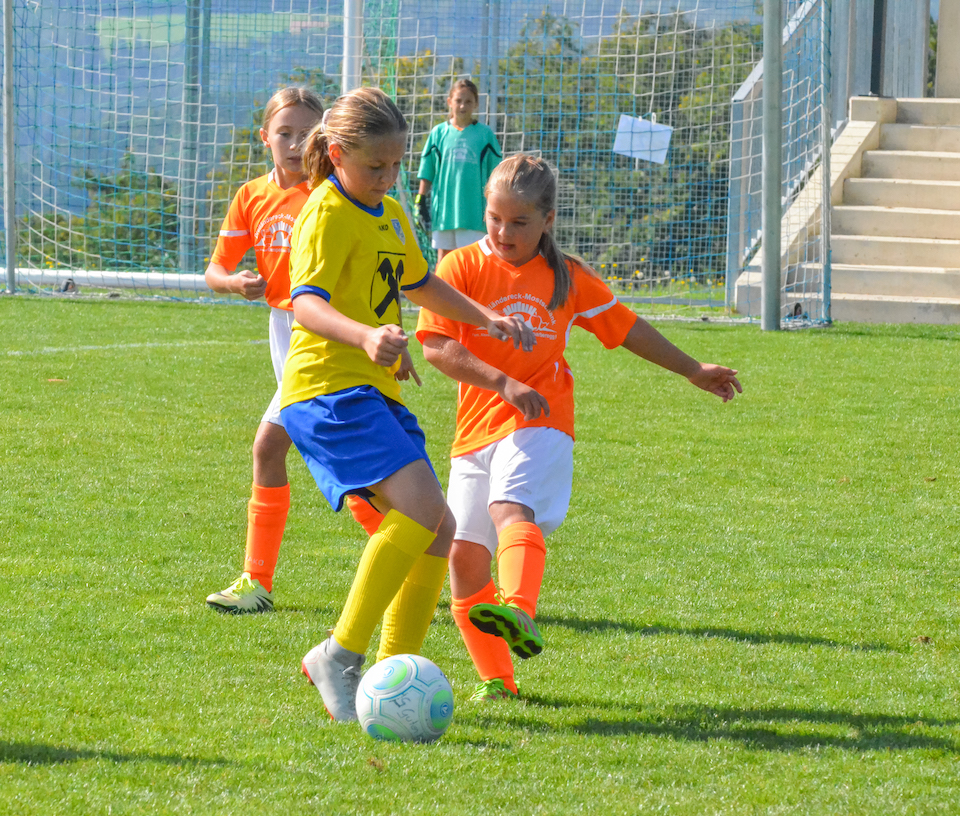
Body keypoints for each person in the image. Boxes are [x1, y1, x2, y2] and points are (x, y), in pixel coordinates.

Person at [415, 154, 742, 702]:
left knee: (509, 508)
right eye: (494, 218)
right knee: (465, 559)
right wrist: (501, 382)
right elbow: (437, 347)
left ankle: (520, 610)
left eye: (519, 222)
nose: (503, 232)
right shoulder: (460, 268)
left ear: (548, 220)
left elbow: (627, 328)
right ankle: (499, 681)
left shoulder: (567, 276)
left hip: (542, 418)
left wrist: (692, 369)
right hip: (477, 428)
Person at [281, 88, 535, 721]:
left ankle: (390, 677)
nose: (389, 176)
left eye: (396, 164)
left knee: (439, 530)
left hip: (372, 389)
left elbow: (420, 283)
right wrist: (367, 336)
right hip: (327, 388)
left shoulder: (391, 212)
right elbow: (305, 303)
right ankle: (340, 655)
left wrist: (485, 316)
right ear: (337, 153)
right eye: (376, 165)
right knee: (423, 513)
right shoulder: (326, 211)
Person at [203, 87, 384, 615]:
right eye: (284, 132)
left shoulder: (329, 194)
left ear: (324, 139)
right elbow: (215, 269)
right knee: (328, 457)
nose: (295, 143)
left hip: (324, 336)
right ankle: (409, 549)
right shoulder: (251, 195)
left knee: (280, 448)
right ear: (265, 137)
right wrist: (234, 283)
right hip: (284, 331)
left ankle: (257, 582)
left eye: (306, 133)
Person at [416, 78, 501, 264]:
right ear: (449, 102)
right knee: (444, 261)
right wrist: (420, 199)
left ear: (476, 104)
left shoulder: (485, 134)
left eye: (468, 101)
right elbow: (427, 170)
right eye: (458, 100)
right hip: (444, 212)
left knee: (473, 261)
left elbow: (496, 174)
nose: (463, 106)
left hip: (474, 212)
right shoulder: (438, 133)